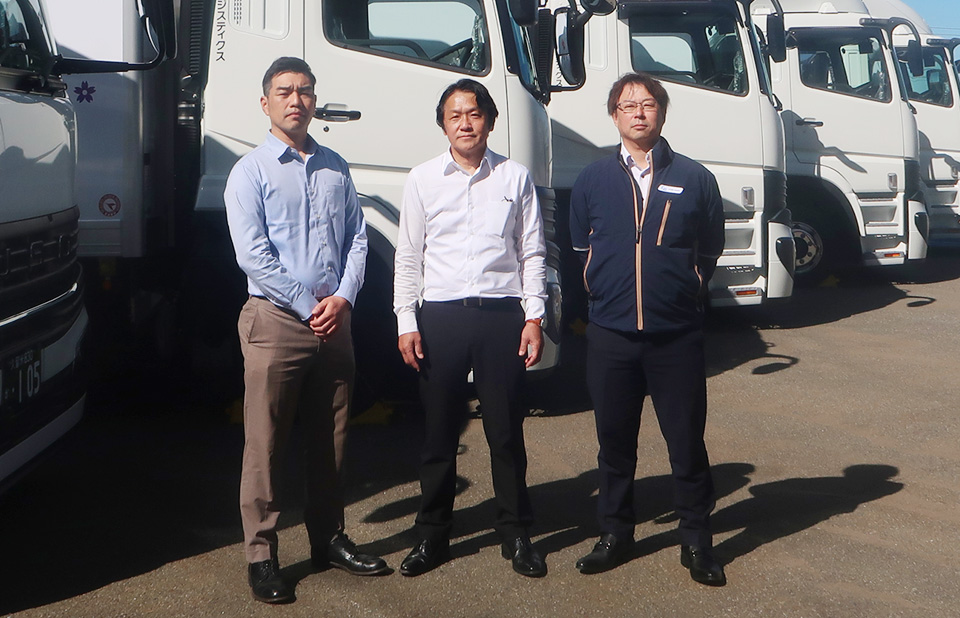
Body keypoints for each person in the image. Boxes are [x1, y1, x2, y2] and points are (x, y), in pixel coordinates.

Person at [224, 57, 388, 604]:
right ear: (265, 102)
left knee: (332, 438)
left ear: (315, 101)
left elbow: (358, 238)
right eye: (284, 91)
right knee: (265, 444)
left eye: (305, 91)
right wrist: (306, 303)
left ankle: (328, 538)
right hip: (276, 321)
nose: (296, 100)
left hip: (333, 321)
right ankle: (262, 556)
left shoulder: (335, 166)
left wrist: (343, 297)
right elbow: (253, 255)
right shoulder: (249, 172)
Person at [569, 72, 727, 586]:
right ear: (614, 115)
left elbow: (711, 246)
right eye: (627, 105)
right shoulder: (593, 179)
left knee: (686, 443)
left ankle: (697, 541)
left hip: (675, 336)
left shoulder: (695, 178)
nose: (638, 113)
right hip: (611, 335)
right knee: (614, 444)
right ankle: (615, 534)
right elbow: (579, 246)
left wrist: (690, 284)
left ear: (662, 112)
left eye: (648, 104)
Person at [393, 78, 548, 578]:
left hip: (501, 316)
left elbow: (532, 252)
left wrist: (534, 316)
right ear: (443, 124)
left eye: (474, 113)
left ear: (490, 121)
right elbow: (408, 256)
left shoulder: (514, 177)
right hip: (441, 316)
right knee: (439, 433)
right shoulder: (422, 179)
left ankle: (516, 532)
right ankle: (432, 535)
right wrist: (406, 320)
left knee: (505, 432)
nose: (465, 123)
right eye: (455, 115)